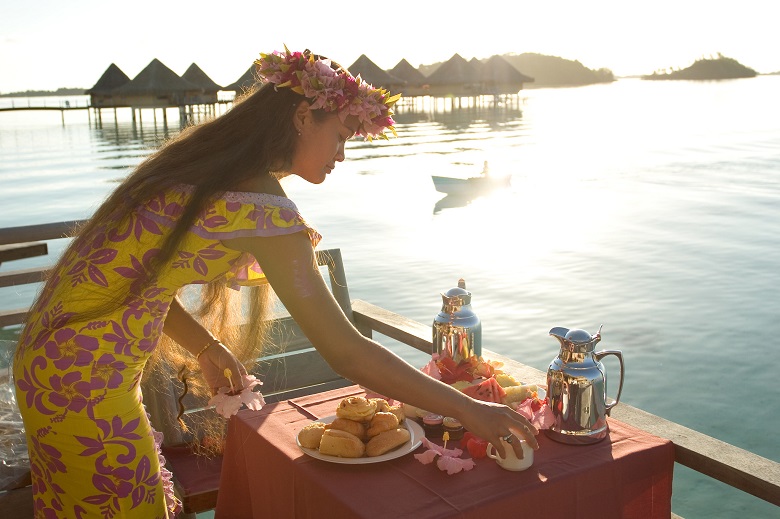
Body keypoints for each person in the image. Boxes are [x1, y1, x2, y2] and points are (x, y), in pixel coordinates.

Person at [13, 47, 538, 518]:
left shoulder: (203, 174)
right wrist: (468, 407)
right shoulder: (263, 211)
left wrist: (205, 345)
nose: (342, 154)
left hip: (49, 361)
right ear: (303, 116)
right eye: (339, 136)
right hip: (87, 383)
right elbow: (348, 354)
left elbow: (138, 284)